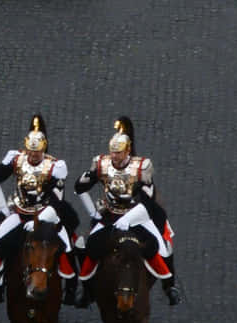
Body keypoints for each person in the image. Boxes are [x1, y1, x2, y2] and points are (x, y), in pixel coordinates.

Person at [74, 118, 180, 305]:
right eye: (113, 152)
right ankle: (87, 290)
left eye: (119, 153)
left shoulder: (141, 168)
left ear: (127, 151)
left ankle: (169, 286)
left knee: (161, 248)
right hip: (110, 215)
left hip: (137, 216)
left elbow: (147, 202)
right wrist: (88, 181)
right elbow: (80, 188)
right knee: (87, 247)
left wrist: (129, 218)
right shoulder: (102, 164)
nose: (114, 156)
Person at [0, 118, 80, 300]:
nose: (34, 154)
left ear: (43, 149)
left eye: (37, 151)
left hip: (47, 216)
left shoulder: (54, 167)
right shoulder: (17, 161)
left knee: (67, 249)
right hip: (20, 214)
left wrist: (40, 219)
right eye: (31, 150)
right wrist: (3, 207)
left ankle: (70, 289)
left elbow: (57, 202)